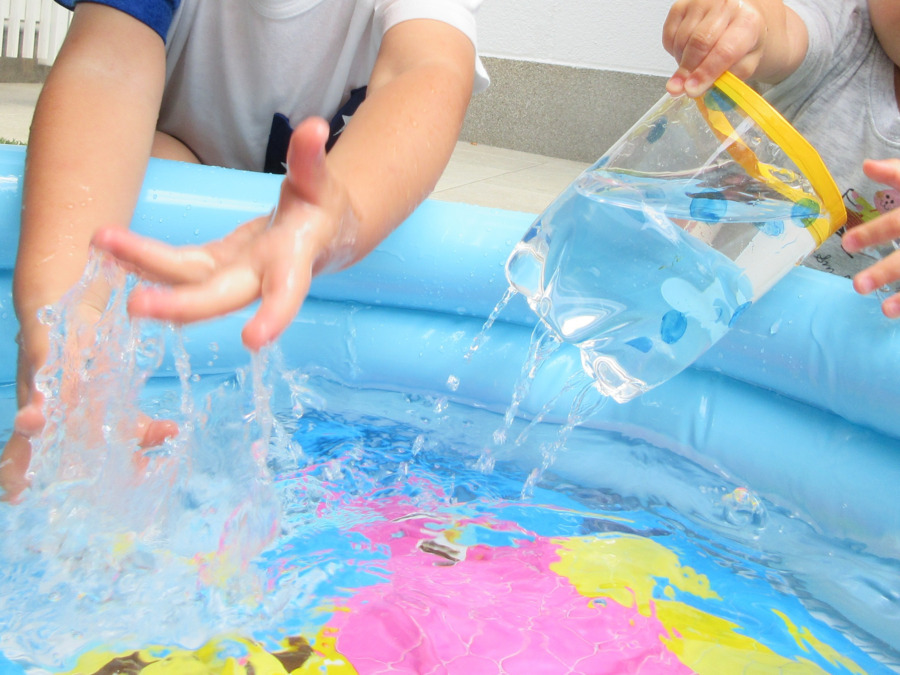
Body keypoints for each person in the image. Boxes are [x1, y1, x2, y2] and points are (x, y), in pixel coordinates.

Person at [0, 0, 489, 497]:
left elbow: (426, 67)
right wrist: (65, 324)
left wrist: (337, 215)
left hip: (327, 185)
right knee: (145, 161)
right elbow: (106, 69)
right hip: (178, 157)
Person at [662, 0, 900, 319]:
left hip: (854, 344)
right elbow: (782, 31)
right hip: (719, 307)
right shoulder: (849, 31)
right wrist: (745, 21)